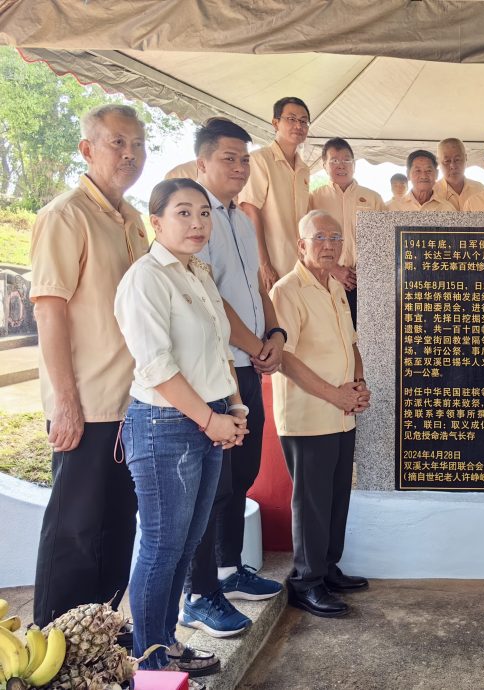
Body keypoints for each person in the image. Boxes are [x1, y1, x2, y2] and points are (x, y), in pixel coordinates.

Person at [115, 178, 249, 680]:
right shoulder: (146, 279)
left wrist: (235, 411)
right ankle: (147, 661)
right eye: (183, 213)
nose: (197, 224)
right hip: (165, 425)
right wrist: (211, 418)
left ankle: (164, 644)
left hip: (208, 416)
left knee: (188, 540)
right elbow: (156, 367)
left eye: (203, 214)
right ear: (156, 221)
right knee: (162, 543)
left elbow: (217, 352)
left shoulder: (198, 273)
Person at [29, 104, 149, 630]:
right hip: (88, 403)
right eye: (117, 143)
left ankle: (98, 643)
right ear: (87, 149)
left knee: (117, 528)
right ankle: (54, 649)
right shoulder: (65, 215)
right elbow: (49, 310)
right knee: (75, 530)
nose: (129, 154)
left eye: (138, 144)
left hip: (134, 401)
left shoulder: (134, 219)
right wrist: (66, 402)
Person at [179, 119, 286, 639]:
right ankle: (197, 594)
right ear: (202, 163)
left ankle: (227, 570)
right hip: (214, 374)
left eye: (245, 159)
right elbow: (210, 298)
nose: (240, 168)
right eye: (228, 158)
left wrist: (276, 335)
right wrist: (252, 342)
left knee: (239, 475)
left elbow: (257, 285)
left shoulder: (242, 220)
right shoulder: (197, 223)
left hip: (248, 365)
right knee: (210, 486)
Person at [270, 210, 372, 618]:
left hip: (342, 413)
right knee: (311, 501)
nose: (328, 244)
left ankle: (328, 568)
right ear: (301, 245)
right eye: (319, 238)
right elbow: (285, 358)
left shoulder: (334, 287)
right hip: (309, 414)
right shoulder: (287, 290)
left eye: (335, 237)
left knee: (335, 496)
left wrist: (359, 384)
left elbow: (352, 343)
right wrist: (335, 394)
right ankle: (306, 581)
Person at [238, 96, 311, 292]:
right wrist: (264, 264)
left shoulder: (304, 169)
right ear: (275, 123)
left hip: (299, 266)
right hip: (272, 265)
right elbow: (249, 210)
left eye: (304, 121)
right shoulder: (260, 160)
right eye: (292, 119)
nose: (298, 125)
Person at [310, 137, 385, 325]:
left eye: (346, 160)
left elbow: (384, 240)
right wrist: (334, 270)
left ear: (354, 164)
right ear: (324, 165)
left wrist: (367, 273)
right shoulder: (314, 199)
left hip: (366, 283)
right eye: (334, 160)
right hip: (326, 280)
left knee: (364, 339)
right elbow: (308, 242)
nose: (341, 165)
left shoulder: (373, 198)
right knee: (331, 336)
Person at [388, 150, 457, 212]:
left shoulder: (447, 209)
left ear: (436, 174)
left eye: (428, 170)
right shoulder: (393, 208)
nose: (423, 176)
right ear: (408, 174)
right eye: (418, 171)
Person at [435, 138, 484, 210]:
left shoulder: (480, 190)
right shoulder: (432, 194)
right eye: (447, 161)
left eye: (457, 159)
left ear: (465, 158)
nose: (453, 166)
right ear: (438, 162)